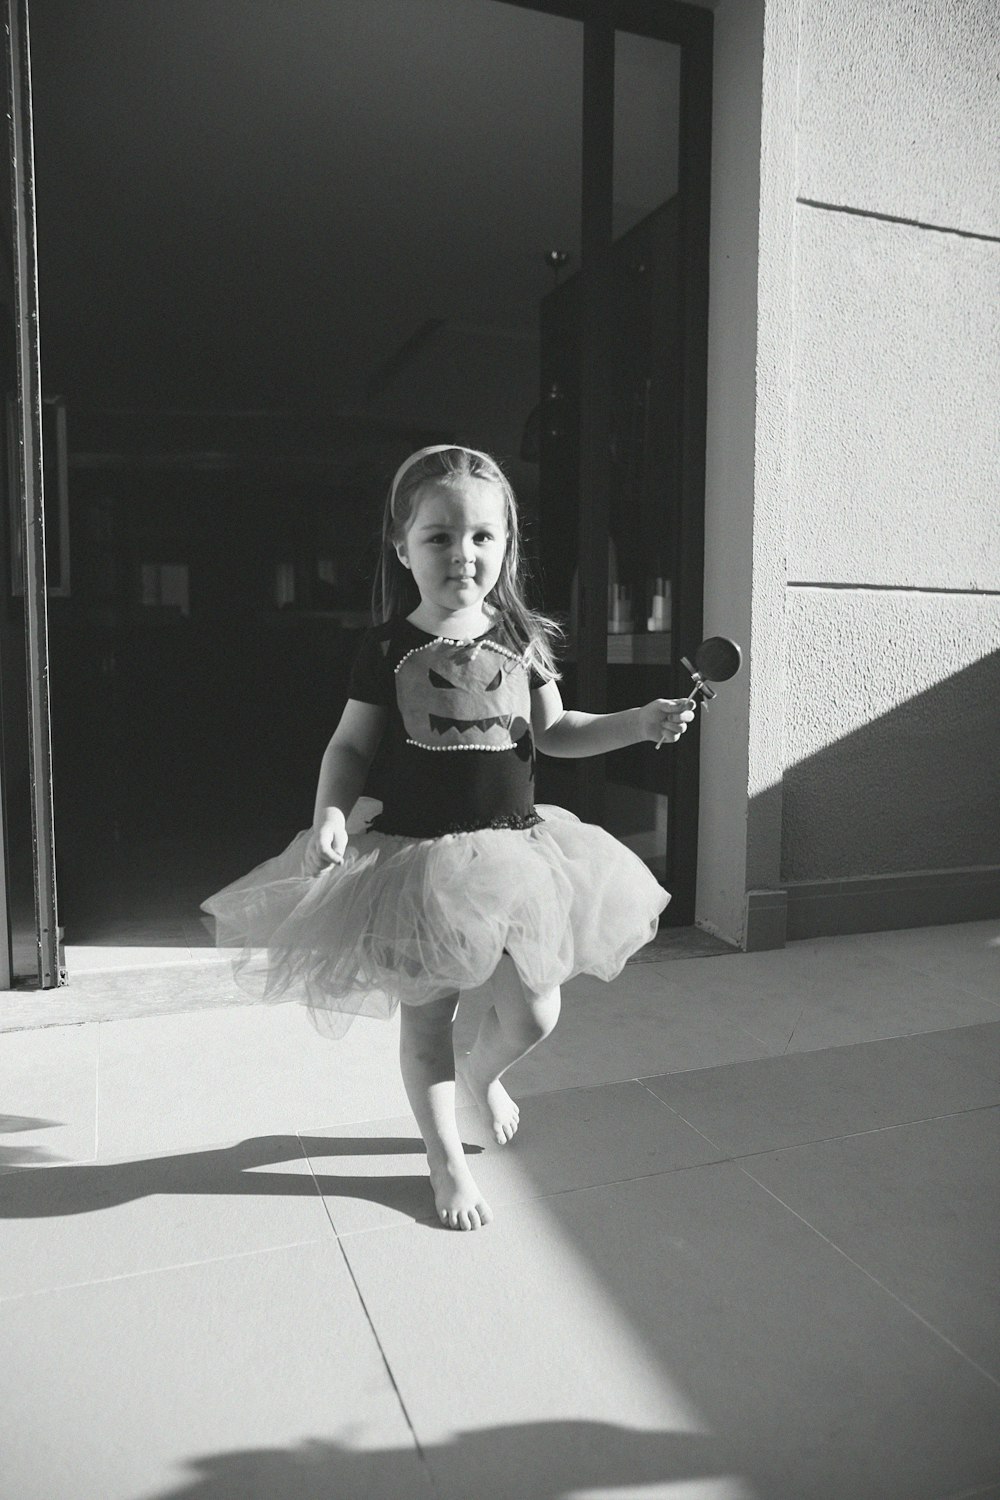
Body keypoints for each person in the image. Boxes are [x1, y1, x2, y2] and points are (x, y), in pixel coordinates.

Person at [203, 445, 694, 1232]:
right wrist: (332, 810)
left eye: (480, 537)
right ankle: (443, 1158)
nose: (461, 554)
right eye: (438, 537)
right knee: (426, 1018)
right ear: (403, 548)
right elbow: (349, 748)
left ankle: (482, 1074)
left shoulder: (520, 638)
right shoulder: (387, 648)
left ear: (505, 545)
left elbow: (557, 730)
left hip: (519, 858)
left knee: (537, 1012)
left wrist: (637, 723)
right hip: (416, 866)